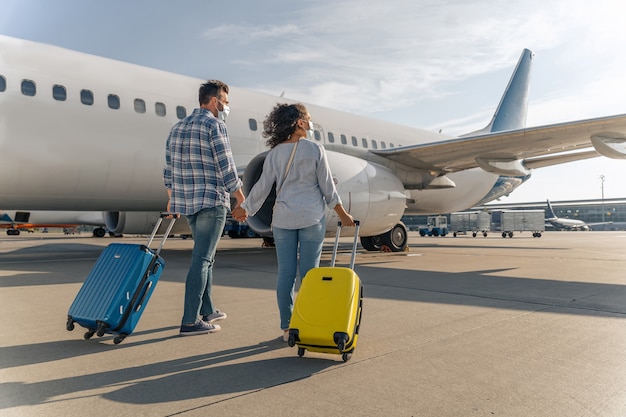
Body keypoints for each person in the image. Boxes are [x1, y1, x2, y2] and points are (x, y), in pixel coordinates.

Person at [231, 103, 355, 342]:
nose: (310, 123)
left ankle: (287, 327)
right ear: (299, 123)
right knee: (310, 275)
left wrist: (243, 208)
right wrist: (342, 213)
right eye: (308, 119)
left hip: (283, 220)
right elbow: (328, 187)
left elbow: (263, 187)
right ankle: (308, 322)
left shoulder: (275, 153)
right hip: (310, 218)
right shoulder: (315, 149)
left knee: (285, 274)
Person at [163, 79, 245, 336]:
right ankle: (190, 321)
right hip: (211, 200)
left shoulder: (177, 128)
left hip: (188, 202)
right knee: (202, 259)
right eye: (226, 102)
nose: (226, 107)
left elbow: (168, 170)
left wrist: (172, 196)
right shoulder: (215, 124)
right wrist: (241, 198)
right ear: (214, 101)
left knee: (205, 257)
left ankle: (207, 309)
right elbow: (226, 165)